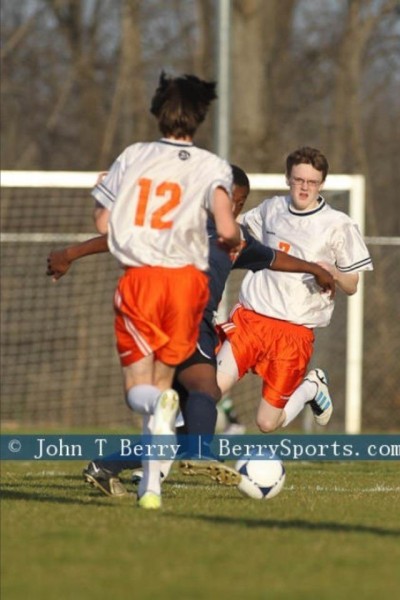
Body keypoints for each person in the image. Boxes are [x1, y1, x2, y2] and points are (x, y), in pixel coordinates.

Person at [48, 164, 335, 496]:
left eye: (239, 203)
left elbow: (272, 258)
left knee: (192, 412)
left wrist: (315, 269)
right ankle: (198, 454)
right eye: (231, 201)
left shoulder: (236, 241)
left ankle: (109, 466)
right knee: (202, 392)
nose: (235, 209)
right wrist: (69, 254)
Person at [88, 72, 243, 509]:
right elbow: (227, 228)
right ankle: (150, 489)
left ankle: (157, 404)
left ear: (158, 111)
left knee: (141, 390)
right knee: (163, 390)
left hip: (142, 279)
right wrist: (229, 239)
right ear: (199, 117)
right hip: (187, 285)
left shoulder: (133, 155)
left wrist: (101, 197)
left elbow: (103, 223)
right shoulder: (214, 166)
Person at [211, 146, 373, 445]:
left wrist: (333, 272)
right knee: (211, 392)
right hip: (251, 320)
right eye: (299, 180)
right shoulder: (270, 210)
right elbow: (232, 232)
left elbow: (352, 285)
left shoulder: (338, 225)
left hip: (294, 334)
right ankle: (160, 460)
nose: (304, 187)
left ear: (322, 183)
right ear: (288, 178)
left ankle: (311, 388)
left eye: (312, 182)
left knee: (267, 422)